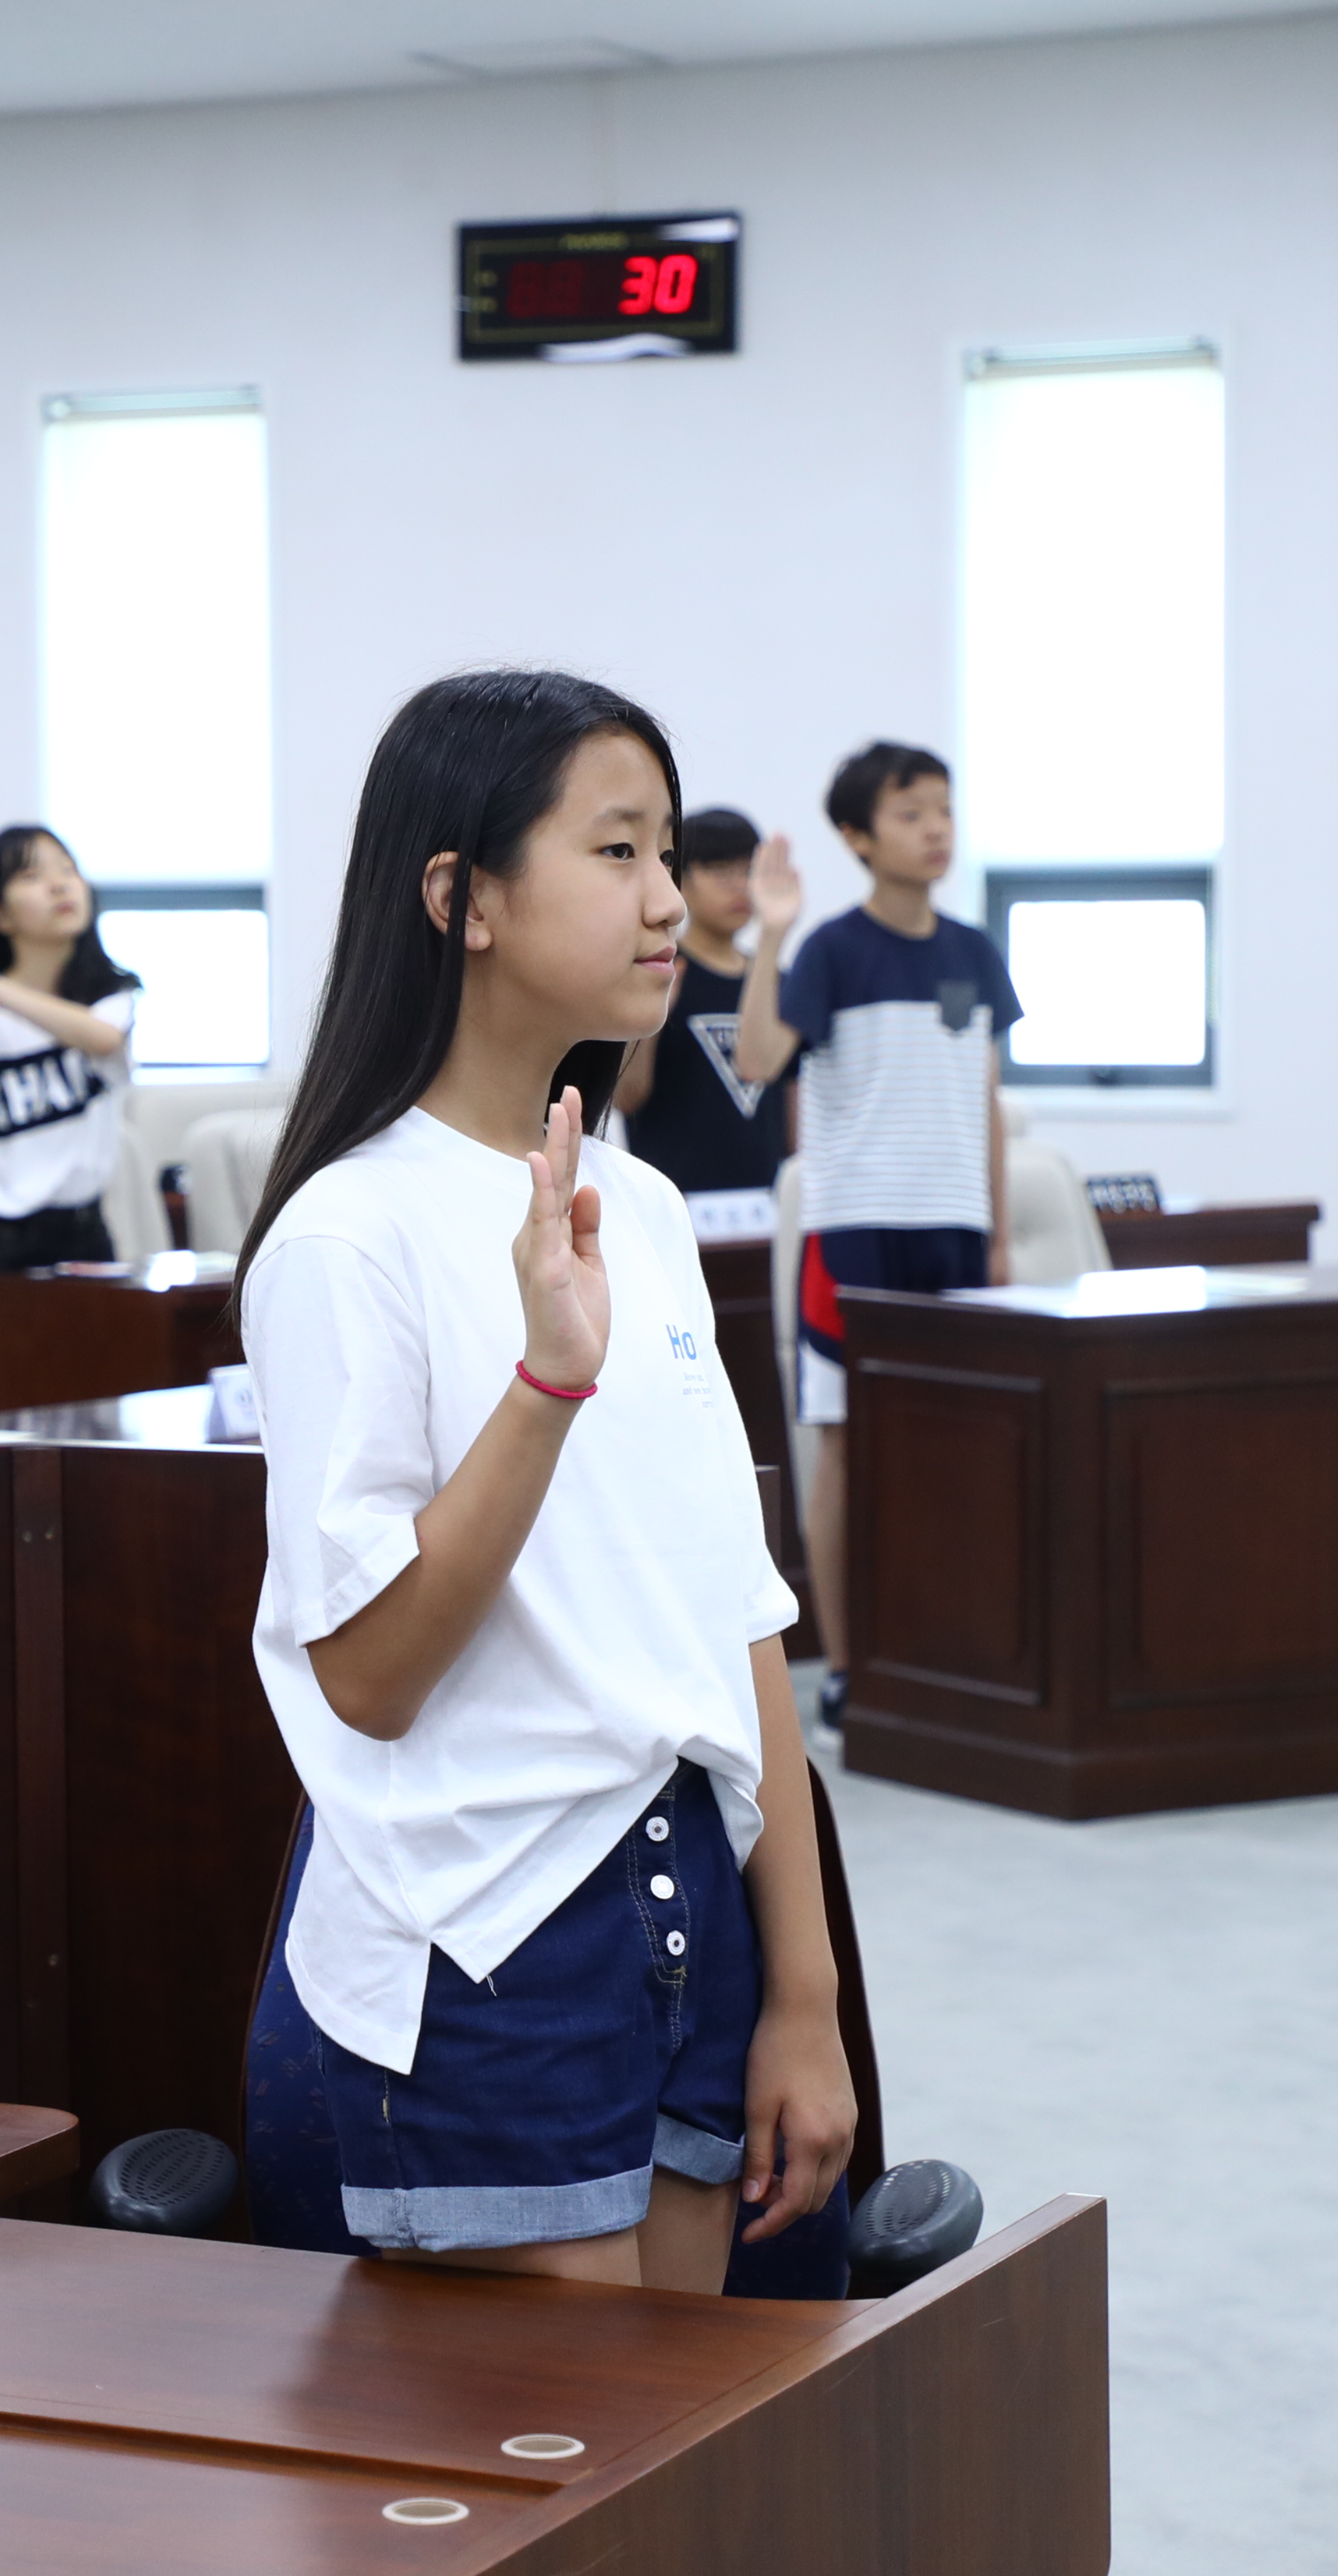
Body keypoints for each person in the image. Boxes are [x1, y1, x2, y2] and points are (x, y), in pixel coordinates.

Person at [232, 668, 853, 2288]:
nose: (667, 901)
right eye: (618, 851)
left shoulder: (634, 1208)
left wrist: (802, 1994)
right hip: (480, 1942)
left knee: (685, 2477)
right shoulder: (344, 1233)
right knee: (562, 2495)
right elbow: (365, 1672)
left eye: (666, 853)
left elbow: (737, 1614)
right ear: (464, 897)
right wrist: (545, 1381)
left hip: (679, 1912)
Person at [728, 740, 1019, 1729]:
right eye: (909, 813)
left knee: (961, 1447)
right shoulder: (832, 952)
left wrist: (1002, 1233)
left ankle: (952, 1652)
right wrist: (773, 933)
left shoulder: (975, 953)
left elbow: (985, 1098)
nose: (935, 828)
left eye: (942, 809)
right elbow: (761, 1057)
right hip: (851, 1236)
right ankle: (851, 1665)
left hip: (958, 1234)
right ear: (857, 836)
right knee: (845, 1448)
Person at [0, 824, 142, 1397]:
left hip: (83, 1236)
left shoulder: (111, 995)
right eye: (33, 876)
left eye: (67, 869)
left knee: (98, 1408)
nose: (61, 886)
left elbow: (102, 1041)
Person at [609, 805, 797, 1194]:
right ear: (680, 880)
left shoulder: (777, 981)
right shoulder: (656, 970)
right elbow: (626, 1099)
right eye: (720, 871)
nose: (739, 886)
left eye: (748, 871)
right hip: (675, 1199)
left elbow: (792, 1102)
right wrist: (649, 1026)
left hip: (765, 1204)